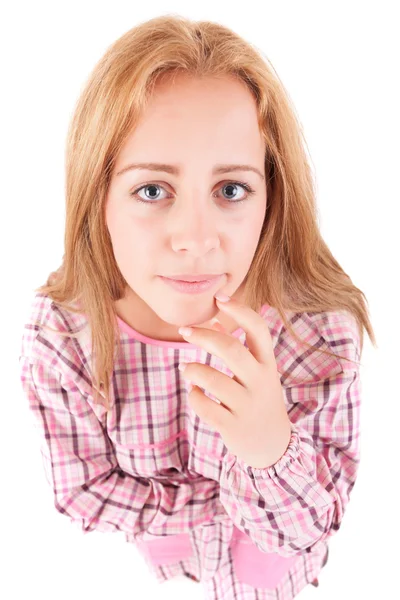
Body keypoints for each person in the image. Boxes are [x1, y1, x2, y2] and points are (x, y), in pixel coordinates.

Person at [18, 14, 376, 600]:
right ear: (97, 199)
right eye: (152, 191)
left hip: (274, 559)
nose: (195, 237)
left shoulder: (314, 331)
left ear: (271, 199)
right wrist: (218, 513)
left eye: (231, 190)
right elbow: (84, 493)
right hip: (164, 562)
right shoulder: (65, 335)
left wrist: (270, 452)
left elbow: (313, 522)